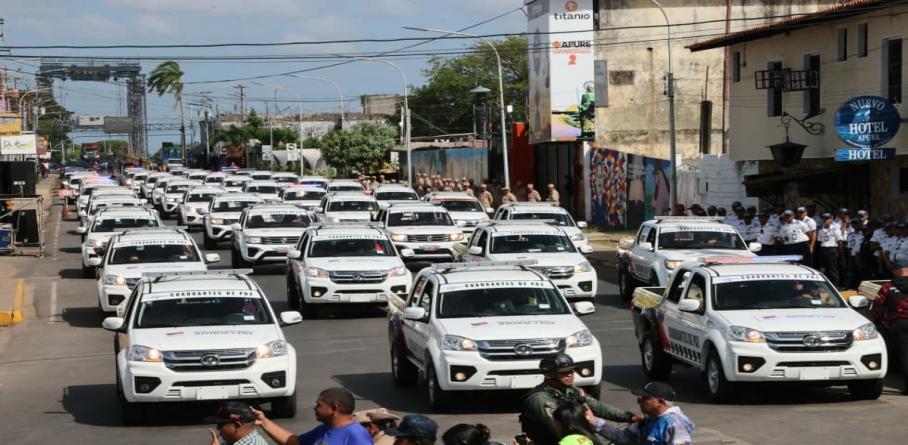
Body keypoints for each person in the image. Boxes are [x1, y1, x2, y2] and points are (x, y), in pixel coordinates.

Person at [520, 353, 638, 445]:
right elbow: (560, 428)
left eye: (571, 371)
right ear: (549, 375)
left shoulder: (572, 391)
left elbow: (598, 407)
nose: (570, 375)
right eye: (563, 372)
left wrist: (629, 417)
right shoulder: (539, 399)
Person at [254, 387, 373, 445]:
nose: (315, 408)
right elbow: (295, 442)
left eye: (319, 405)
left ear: (334, 408)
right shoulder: (325, 429)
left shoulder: (357, 437)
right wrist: (264, 421)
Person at [587, 382, 694, 445]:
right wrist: (593, 421)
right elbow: (622, 438)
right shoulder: (647, 421)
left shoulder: (675, 424)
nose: (639, 401)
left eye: (644, 398)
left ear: (660, 402)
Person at [875, 267, 908, 394]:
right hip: (898, 323)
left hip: (898, 323)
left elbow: (878, 306)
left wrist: (883, 320)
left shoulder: (887, 287)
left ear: (896, 272)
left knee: (904, 354)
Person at [817, 213, 845, 287]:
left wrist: (839, 252)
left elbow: (840, 241)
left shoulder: (835, 229)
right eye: (824, 219)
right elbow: (820, 241)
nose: (825, 220)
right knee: (823, 268)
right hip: (823, 249)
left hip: (832, 249)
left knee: (833, 269)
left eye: (827, 219)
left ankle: (836, 285)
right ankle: (826, 286)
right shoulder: (821, 230)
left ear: (831, 219)